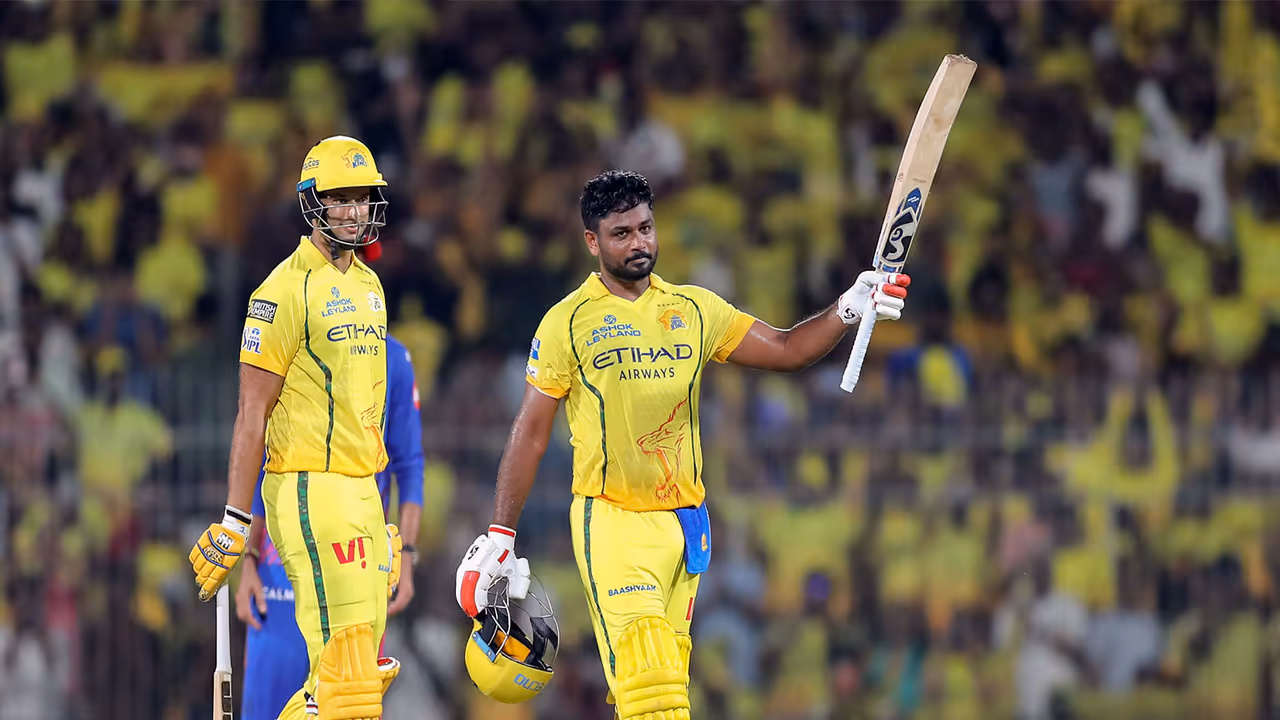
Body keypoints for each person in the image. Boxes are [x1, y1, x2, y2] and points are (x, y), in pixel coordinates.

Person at [454, 170, 910, 719]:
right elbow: (530, 433)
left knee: (664, 695)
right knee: (650, 687)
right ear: (592, 242)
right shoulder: (567, 323)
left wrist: (848, 308)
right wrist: (500, 534)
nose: (639, 242)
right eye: (620, 233)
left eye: (645, 227)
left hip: (686, 526)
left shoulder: (694, 310)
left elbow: (787, 350)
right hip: (615, 522)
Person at [189, 135, 404, 720]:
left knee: (351, 685)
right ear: (313, 203)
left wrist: (378, 511)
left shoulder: (370, 286)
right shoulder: (280, 293)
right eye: (342, 199)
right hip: (309, 486)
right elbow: (250, 413)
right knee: (346, 675)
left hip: (363, 490)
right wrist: (237, 520)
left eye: (364, 198)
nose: (356, 211)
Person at [236, 325, 425, 720]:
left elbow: (409, 465)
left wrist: (406, 556)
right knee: (268, 707)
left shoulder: (393, 359)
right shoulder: (286, 346)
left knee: (345, 708)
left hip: (355, 567)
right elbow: (260, 456)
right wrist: (249, 559)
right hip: (280, 567)